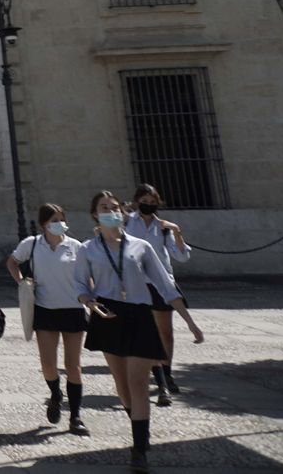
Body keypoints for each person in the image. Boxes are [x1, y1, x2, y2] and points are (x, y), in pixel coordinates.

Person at [74, 189, 203, 474]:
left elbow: (165, 285)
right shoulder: (88, 249)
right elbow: (81, 286)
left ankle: (139, 448)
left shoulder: (141, 246)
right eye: (104, 207)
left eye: (114, 206)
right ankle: (138, 426)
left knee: (138, 383)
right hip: (108, 314)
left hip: (140, 313)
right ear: (95, 214)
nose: (110, 211)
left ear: (122, 212)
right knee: (122, 384)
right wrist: (89, 303)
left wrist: (189, 321)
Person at [5, 203, 91, 435]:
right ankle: (55, 393)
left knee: (73, 365)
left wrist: (91, 299)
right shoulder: (31, 245)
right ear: (44, 223)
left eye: (62, 218)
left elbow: (87, 276)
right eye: (54, 219)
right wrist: (22, 281)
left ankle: (75, 416)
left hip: (73, 308)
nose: (59, 223)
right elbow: (12, 262)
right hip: (45, 308)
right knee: (48, 364)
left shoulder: (76, 247)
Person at [126, 183, 192, 405]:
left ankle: (167, 372)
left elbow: (182, 257)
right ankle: (161, 380)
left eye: (153, 202)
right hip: (137, 283)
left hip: (161, 282)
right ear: (137, 202)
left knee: (165, 333)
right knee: (148, 333)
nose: (149, 205)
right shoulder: (127, 222)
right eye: (145, 201)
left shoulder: (163, 227)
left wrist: (177, 232)